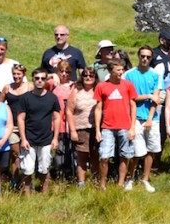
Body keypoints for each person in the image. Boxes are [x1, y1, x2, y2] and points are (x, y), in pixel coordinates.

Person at [94, 59, 137, 190]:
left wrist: (132, 127)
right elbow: (98, 108)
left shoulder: (128, 85)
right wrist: (97, 130)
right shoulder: (101, 86)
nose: (121, 72)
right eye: (118, 70)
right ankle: (102, 184)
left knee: (125, 156)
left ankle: (120, 183)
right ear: (111, 70)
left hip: (125, 125)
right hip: (107, 127)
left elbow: (133, 105)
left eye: (122, 69)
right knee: (104, 156)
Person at [124, 46, 162, 192]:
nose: (145, 59)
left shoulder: (155, 75)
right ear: (138, 57)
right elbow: (131, 97)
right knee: (136, 152)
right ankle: (130, 178)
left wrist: (150, 119)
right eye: (142, 56)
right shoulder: (129, 75)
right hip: (135, 118)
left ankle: (145, 179)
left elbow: (156, 98)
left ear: (151, 58)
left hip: (152, 118)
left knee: (151, 150)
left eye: (147, 57)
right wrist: (148, 95)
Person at [17, 68, 61, 195]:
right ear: (33, 79)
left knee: (44, 168)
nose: (40, 81)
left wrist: (55, 138)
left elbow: (57, 118)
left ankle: (44, 194)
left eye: (42, 78)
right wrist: (23, 139)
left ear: (46, 80)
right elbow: (21, 119)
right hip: (29, 140)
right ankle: (27, 196)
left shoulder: (52, 98)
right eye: (37, 78)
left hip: (46, 139)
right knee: (27, 169)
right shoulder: (25, 98)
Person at [67, 66, 99, 187]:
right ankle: (81, 183)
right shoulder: (76, 91)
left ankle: (96, 181)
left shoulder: (98, 90)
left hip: (96, 128)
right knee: (82, 156)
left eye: (91, 75)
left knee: (95, 155)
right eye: (85, 75)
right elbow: (69, 111)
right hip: (81, 128)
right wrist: (73, 130)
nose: (88, 78)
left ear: (95, 78)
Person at [1, 62, 31, 184]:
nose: (16, 76)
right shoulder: (7, 88)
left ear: (24, 74)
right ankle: (15, 179)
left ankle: (27, 180)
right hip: (12, 126)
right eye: (14, 74)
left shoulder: (30, 87)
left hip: (28, 125)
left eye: (19, 74)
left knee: (28, 153)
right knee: (15, 153)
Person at [49, 60, 76, 181]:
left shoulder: (74, 85)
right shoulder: (53, 84)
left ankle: (71, 174)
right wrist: (51, 75)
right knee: (59, 149)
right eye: (61, 71)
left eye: (67, 72)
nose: (64, 74)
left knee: (71, 149)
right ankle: (59, 174)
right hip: (57, 123)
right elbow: (36, 83)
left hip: (71, 123)